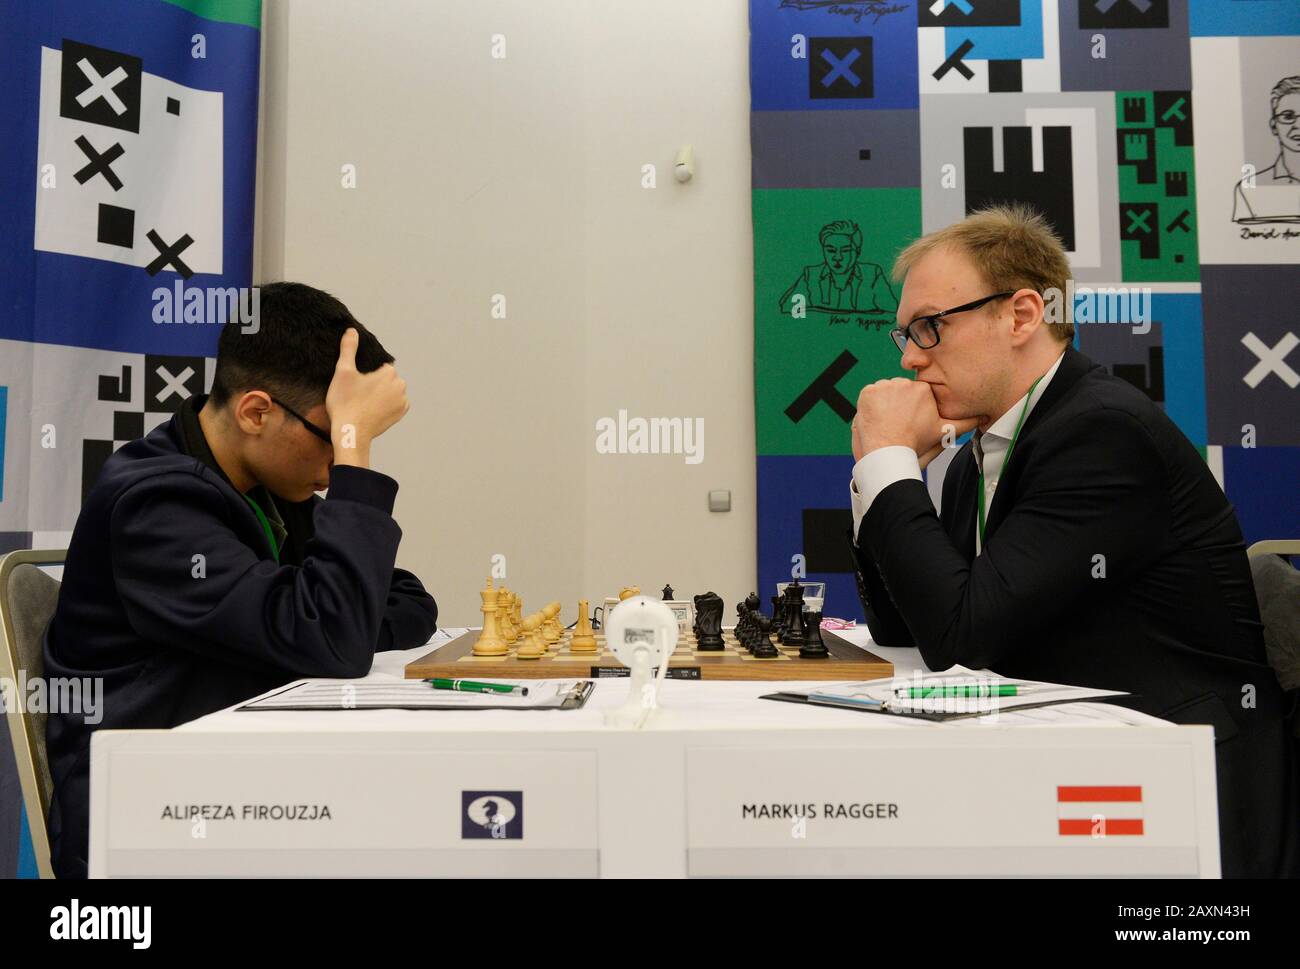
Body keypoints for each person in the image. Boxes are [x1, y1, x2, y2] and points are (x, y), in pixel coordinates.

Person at [847, 205, 1298, 878]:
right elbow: (908, 628)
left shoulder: (1101, 433)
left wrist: (886, 460)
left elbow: (962, 634)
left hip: (1186, 798)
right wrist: (886, 473)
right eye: (905, 335)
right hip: (1081, 781)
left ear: (1023, 314)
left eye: (931, 327)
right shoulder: (979, 457)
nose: (911, 356)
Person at [44, 282, 438, 878]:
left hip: (241, 777)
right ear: (257, 412)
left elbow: (407, 602)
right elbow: (335, 635)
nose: (338, 474)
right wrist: (320, 622)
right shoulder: (153, 506)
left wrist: (320, 621)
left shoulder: (268, 483)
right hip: (148, 816)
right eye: (336, 440)